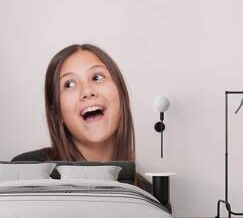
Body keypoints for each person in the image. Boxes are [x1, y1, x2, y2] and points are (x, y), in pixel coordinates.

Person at [12, 44, 150, 191]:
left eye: (97, 77)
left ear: (121, 94)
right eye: (69, 84)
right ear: (56, 112)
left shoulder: (148, 194)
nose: (87, 91)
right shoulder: (26, 171)